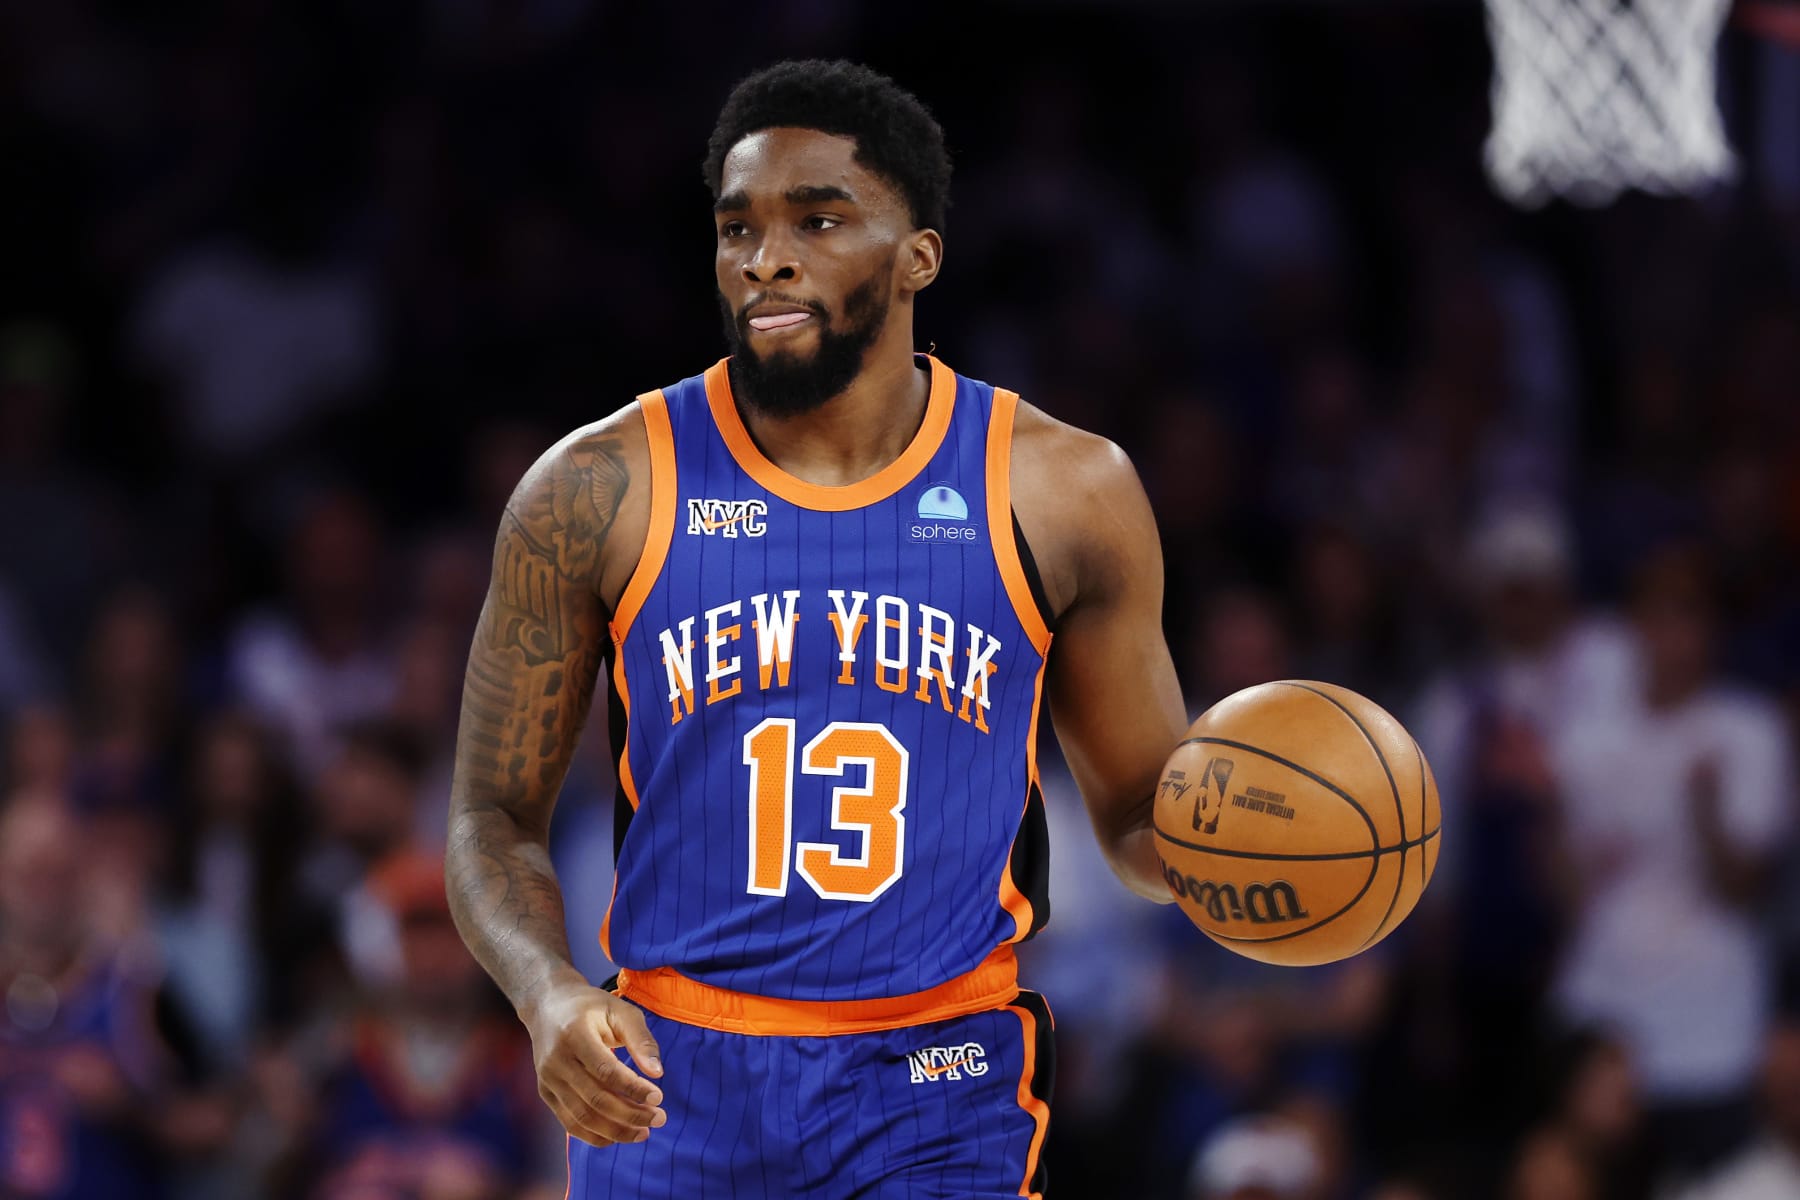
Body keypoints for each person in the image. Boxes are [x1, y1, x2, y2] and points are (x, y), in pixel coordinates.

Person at [445, 59, 1188, 1197]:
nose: (766, 257)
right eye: (737, 227)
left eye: (818, 219)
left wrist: (1233, 856)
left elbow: (1142, 819)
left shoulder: (1066, 489)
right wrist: (547, 994)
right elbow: (490, 817)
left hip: (936, 1076)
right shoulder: (595, 489)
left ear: (919, 255)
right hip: (671, 1078)